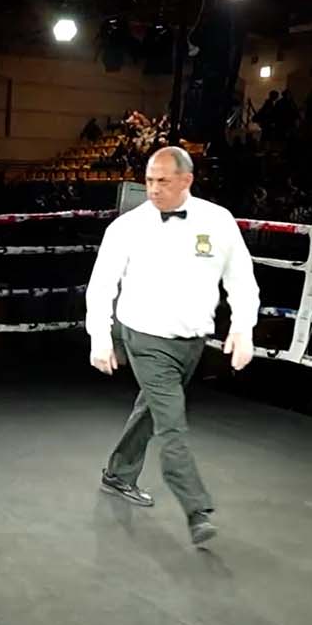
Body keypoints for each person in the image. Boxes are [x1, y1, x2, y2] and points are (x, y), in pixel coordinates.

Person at [85, 146, 259, 546]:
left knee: (151, 407)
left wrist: (244, 329)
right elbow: (101, 285)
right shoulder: (126, 228)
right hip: (144, 337)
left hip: (193, 340)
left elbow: (241, 279)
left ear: (187, 180)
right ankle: (196, 509)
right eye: (149, 180)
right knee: (171, 424)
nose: (153, 189)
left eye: (163, 181)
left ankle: (118, 473)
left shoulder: (217, 221)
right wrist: (99, 336)